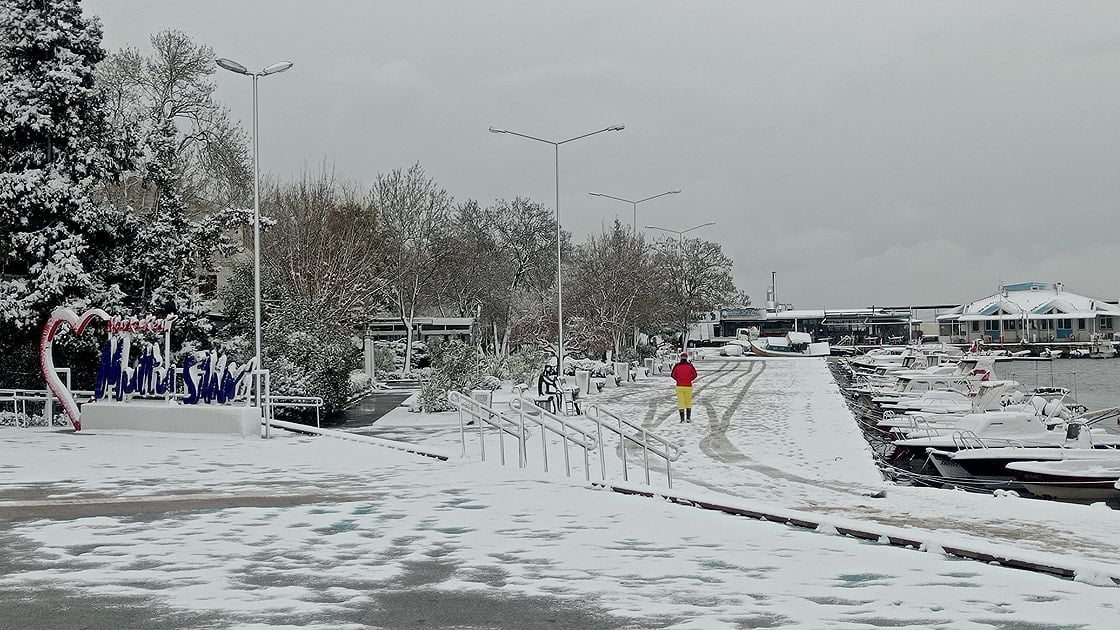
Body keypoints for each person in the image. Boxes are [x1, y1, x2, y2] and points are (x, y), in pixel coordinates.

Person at [670, 351, 698, 422]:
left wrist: (678, 379)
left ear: (680, 358)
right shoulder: (690, 366)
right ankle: (688, 418)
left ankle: (682, 419)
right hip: (688, 386)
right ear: (686, 358)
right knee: (688, 401)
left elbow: (672, 375)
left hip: (679, 386)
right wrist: (689, 379)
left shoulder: (677, 366)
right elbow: (695, 375)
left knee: (681, 402)